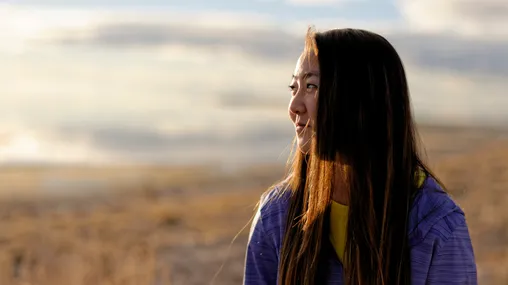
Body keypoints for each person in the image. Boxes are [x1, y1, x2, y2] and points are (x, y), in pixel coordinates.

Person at [243, 28, 477, 285]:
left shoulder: (435, 225)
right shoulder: (277, 214)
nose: (294, 106)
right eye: (293, 87)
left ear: (360, 99)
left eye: (311, 86)